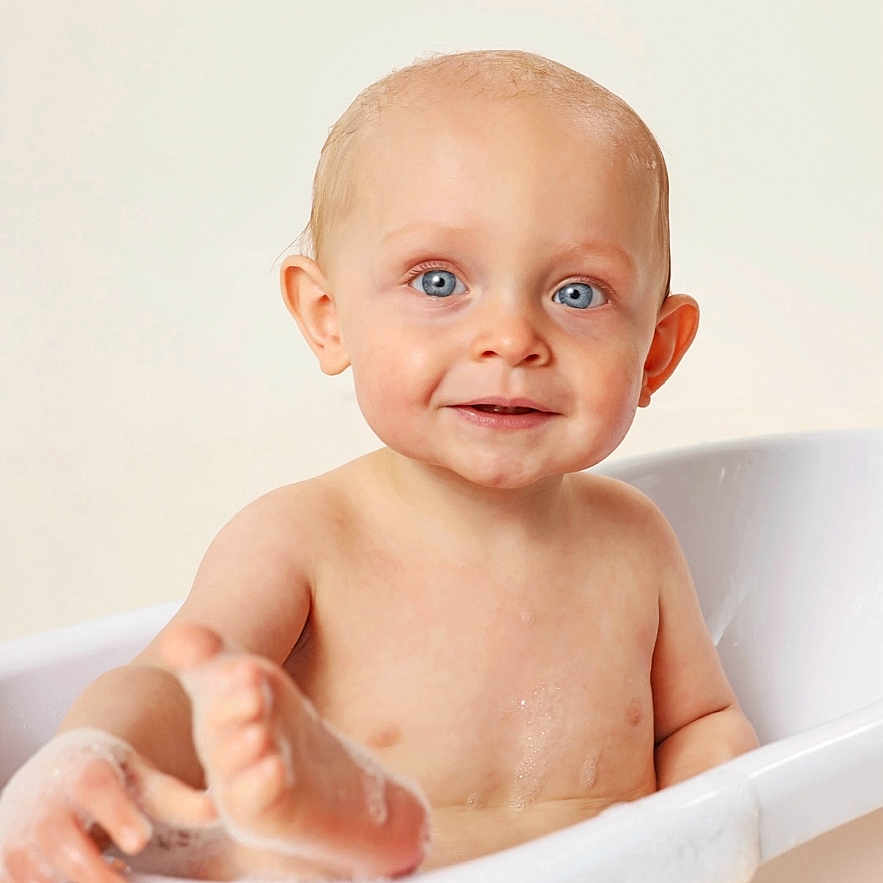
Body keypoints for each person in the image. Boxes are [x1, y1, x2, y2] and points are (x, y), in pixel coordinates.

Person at [0, 48, 760, 882]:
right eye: (438, 281)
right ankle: (314, 827)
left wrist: (713, 820)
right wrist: (88, 752)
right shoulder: (305, 536)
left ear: (654, 350)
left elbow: (700, 720)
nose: (510, 338)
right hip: (363, 870)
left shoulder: (634, 540)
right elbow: (168, 685)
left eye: (576, 293)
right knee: (258, 843)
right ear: (328, 318)